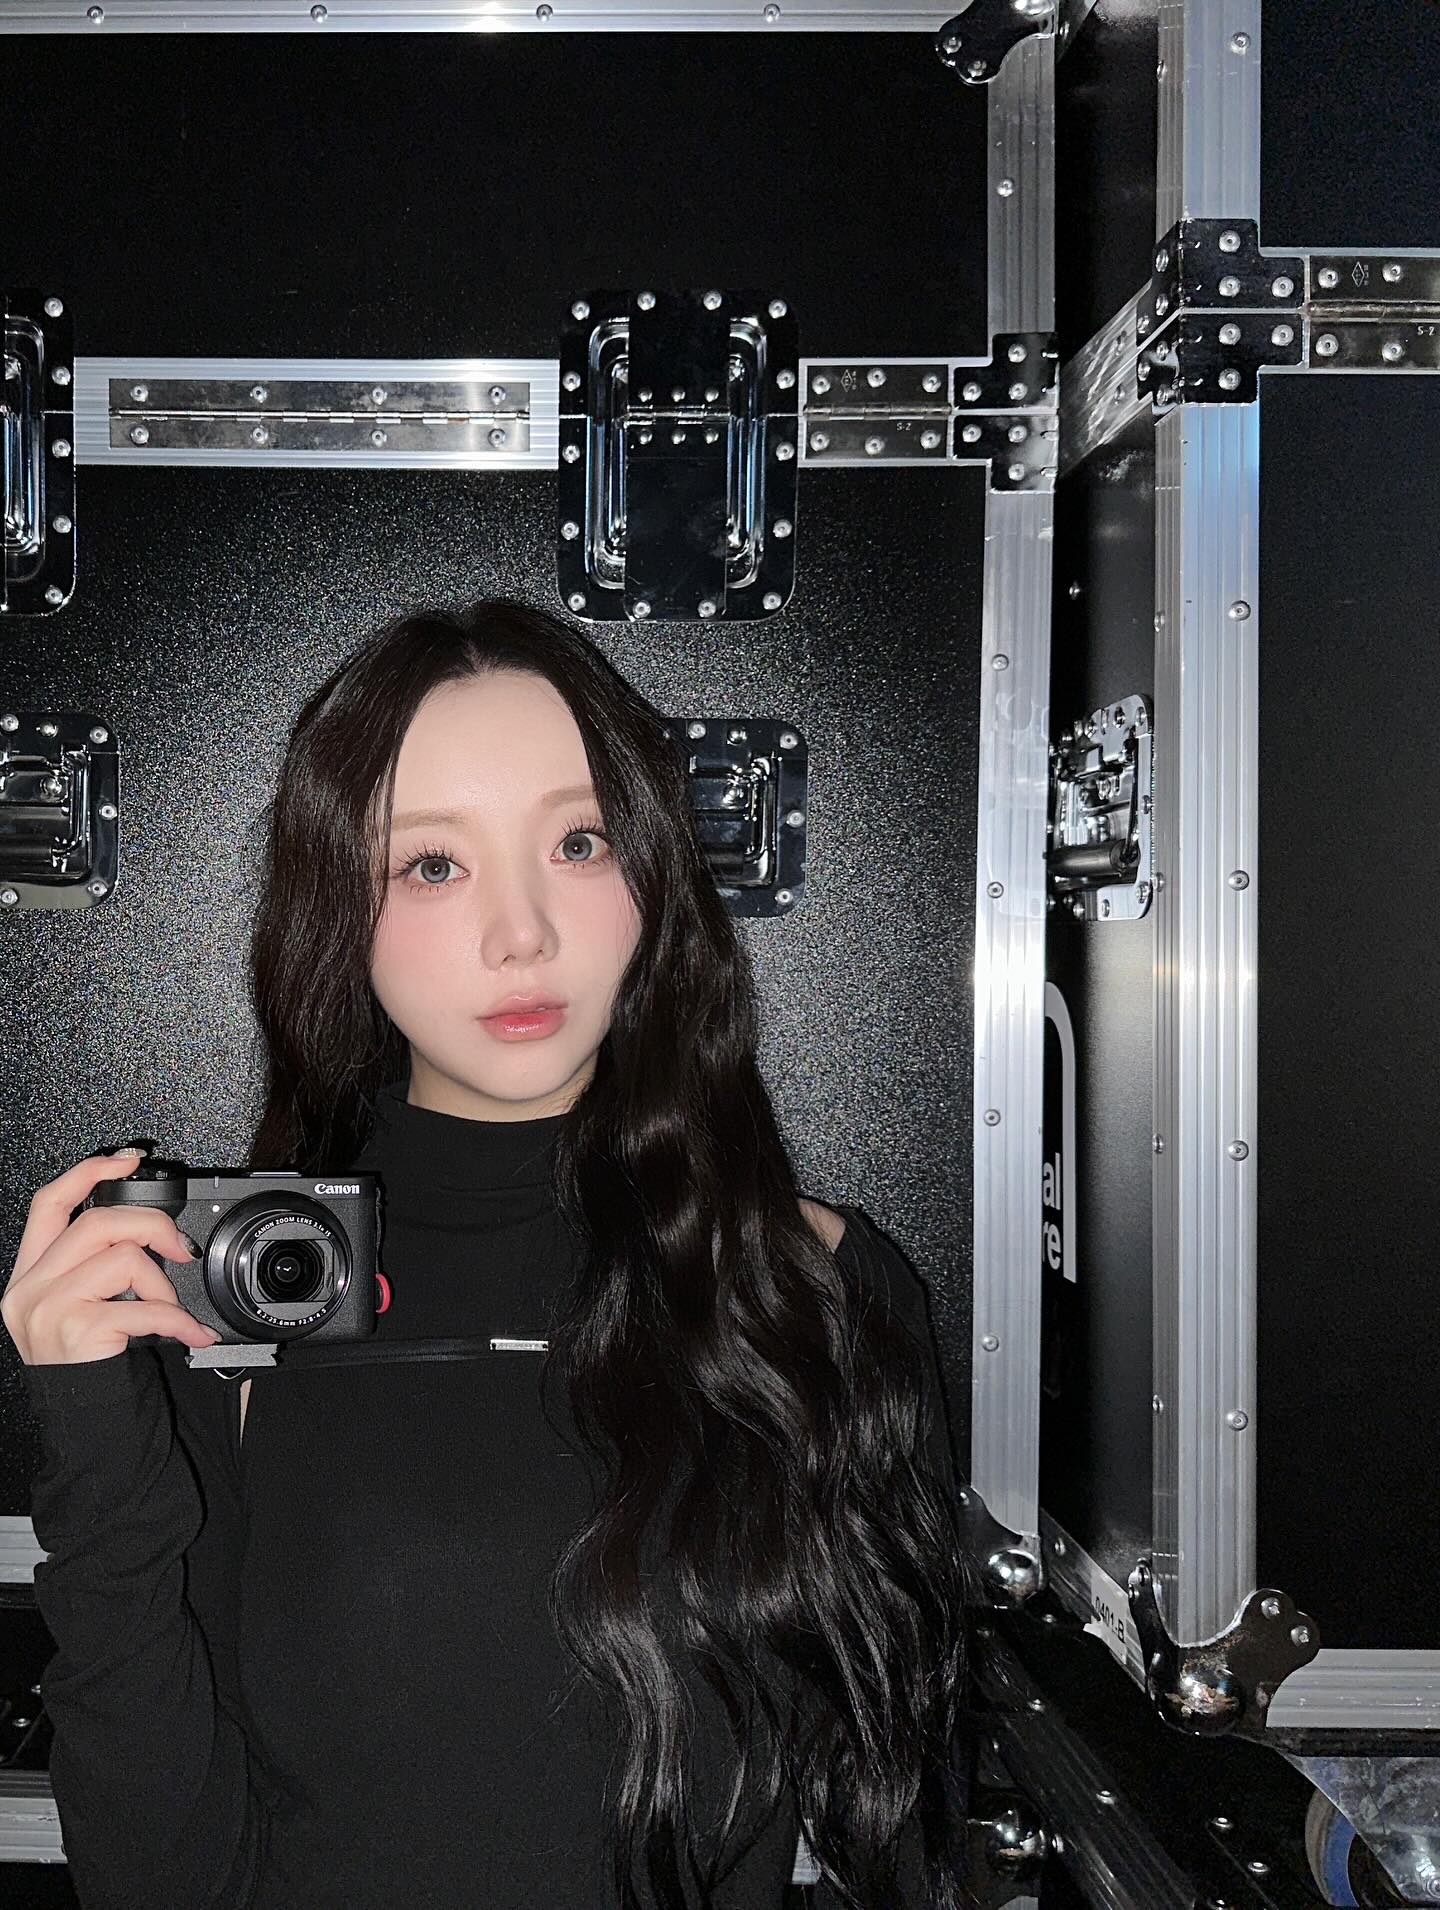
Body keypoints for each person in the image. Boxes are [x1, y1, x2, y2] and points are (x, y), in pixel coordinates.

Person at [3, 597, 985, 1910]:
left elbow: (906, 1834)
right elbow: (164, 1873)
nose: (522, 931)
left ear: (653, 872)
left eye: (578, 841)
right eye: (431, 865)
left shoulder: (810, 1289)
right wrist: (88, 1421)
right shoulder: (246, 1291)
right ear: (337, 907)